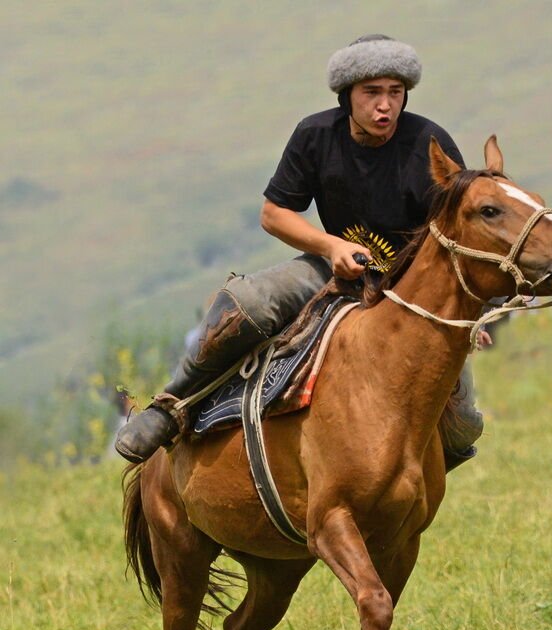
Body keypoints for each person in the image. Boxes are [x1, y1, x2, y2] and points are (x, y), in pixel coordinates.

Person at [115, 34, 485, 467]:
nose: (385, 106)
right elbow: (274, 213)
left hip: (413, 293)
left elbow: (463, 234)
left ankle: (407, 494)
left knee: (463, 426)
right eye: (371, 93)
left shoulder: (429, 142)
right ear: (347, 96)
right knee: (249, 301)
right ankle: (169, 406)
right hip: (334, 272)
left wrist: (467, 313)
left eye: (395, 93)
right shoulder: (315, 135)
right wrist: (331, 247)